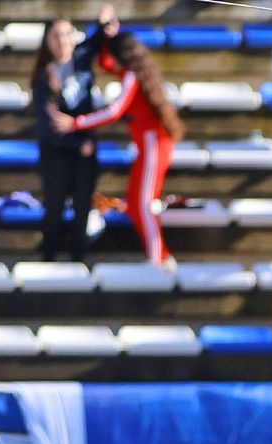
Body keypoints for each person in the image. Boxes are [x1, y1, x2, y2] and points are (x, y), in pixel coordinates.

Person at [53, 9, 184, 267]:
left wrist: (76, 123)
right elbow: (105, 63)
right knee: (134, 204)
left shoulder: (132, 77)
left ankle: (157, 261)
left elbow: (114, 112)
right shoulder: (131, 73)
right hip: (148, 146)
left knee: (144, 205)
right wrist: (105, 35)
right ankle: (162, 257)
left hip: (153, 145)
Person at [33, 17, 101, 263]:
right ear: (47, 42)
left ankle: (78, 261)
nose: (62, 41)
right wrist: (77, 142)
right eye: (56, 36)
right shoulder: (43, 77)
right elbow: (48, 126)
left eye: (67, 34)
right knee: (54, 209)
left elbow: (97, 38)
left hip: (85, 150)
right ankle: (49, 260)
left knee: (83, 209)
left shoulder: (81, 60)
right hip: (57, 152)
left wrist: (104, 21)